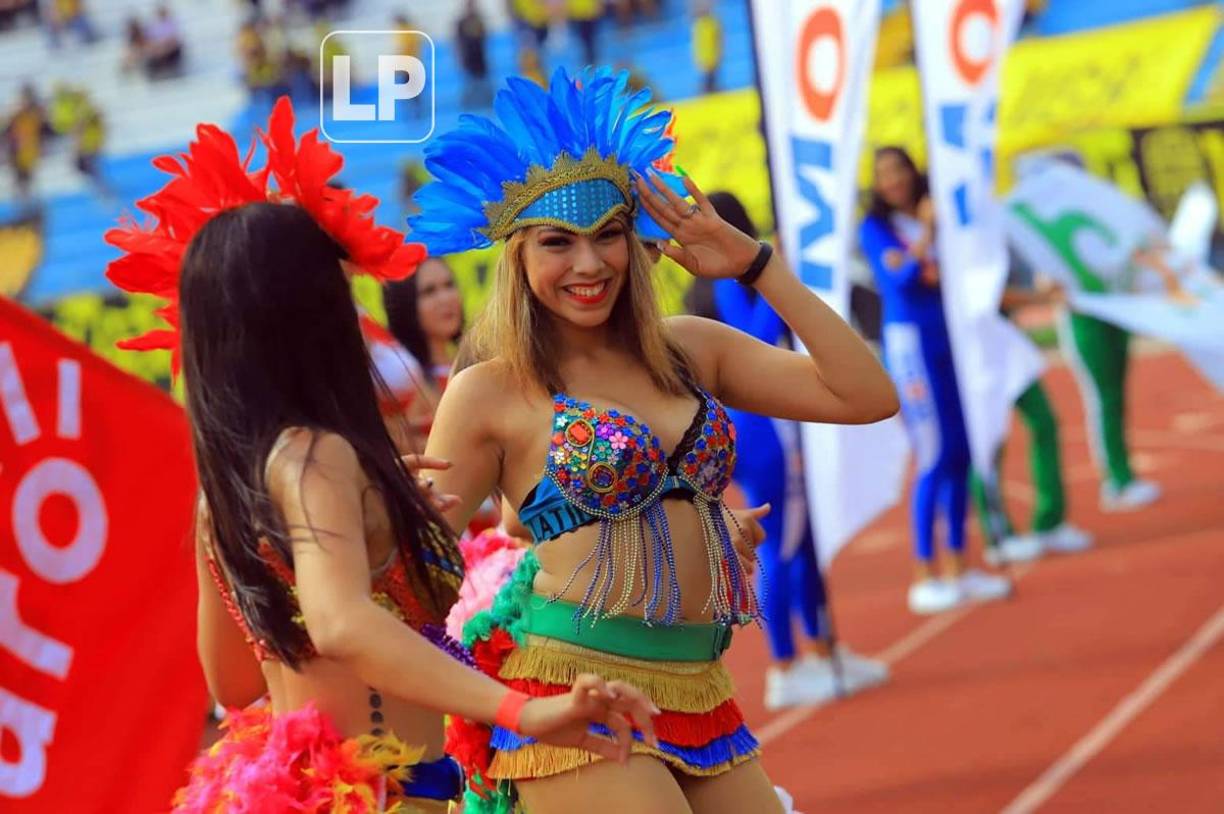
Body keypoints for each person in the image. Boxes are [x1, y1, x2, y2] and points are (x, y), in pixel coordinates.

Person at [105, 96, 661, 812]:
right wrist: (524, 711)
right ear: (311, 315)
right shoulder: (317, 457)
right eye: (340, 287)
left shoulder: (226, 490)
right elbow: (339, 623)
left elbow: (234, 686)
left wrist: (375, 524)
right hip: (386, 796)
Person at [409, 67, 898, 812]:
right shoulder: (490, 391)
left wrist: (753, 264)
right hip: (574, 689)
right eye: (557, 242)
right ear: (517, 257)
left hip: (703, 692)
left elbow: (866, 395)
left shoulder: (690, 349)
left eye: (608, 236)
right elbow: (421, 573)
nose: (589, 264)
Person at [685, 191, 889, 710]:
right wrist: (774, 278)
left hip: (766, 428)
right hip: (763, 431)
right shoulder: (725, 280)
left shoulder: (721, 280)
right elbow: (754, 335)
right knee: (782, 544)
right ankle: (785, 665)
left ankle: (821, 648)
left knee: (803, 541)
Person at [859, 146, 1013, 616]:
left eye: (899, 170)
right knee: (932, 454)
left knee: (961, 453)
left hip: (951, 341)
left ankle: (958, 566)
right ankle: (924, 573)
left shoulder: (940, 211)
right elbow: (902, 280)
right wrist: (927, 233)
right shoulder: (876, 228)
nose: (893, 180)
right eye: (883, 174)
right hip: (912, 349)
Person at [455, 0, 492, 108]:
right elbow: (458, 42)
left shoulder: (479, 20)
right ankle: (469, 105)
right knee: (470, 83)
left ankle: (487, 103)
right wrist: (460, 57)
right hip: (468, 58)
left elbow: (485, 38)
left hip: (480, 58)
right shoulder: (461, 22)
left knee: (483, 82)